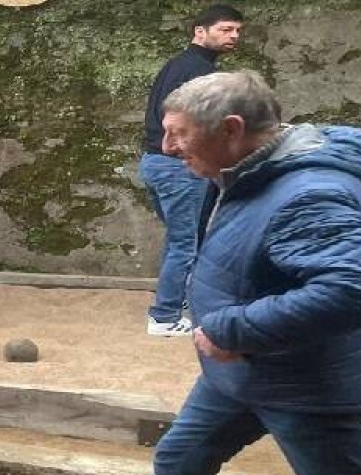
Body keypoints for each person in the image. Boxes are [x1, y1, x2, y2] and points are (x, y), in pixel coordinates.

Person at [89, 71, 361, 475]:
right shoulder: (252, 171)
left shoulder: (311, 193)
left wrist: (233, 330)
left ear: (232, 129)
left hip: (305, 387)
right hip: (242, 376)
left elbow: (354, 291)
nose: (167, 148)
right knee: (181, 457)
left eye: (179, 133)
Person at [139, 4, 244, 337]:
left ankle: (178, 303)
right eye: (226, 29)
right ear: (200, 31)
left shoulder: (182, 66)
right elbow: (183, 123)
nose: (234, 36)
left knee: (181, 239)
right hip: (175, 168)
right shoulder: (196, 71)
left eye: (237, 31)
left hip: (158, 164)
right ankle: (164, 317)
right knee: (185, 243)